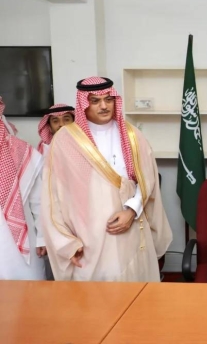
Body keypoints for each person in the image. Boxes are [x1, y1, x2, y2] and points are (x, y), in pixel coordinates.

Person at [42, 77, 172, 281]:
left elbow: (147, 180)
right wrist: (67, 244)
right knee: (98, 299)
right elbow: (54, 196)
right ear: (84, 104)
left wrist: (132, 210)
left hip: (131, 226)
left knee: (137, 288)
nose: (104, 106)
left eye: (109, 99)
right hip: (89, 235)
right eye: (95, 101)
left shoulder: (132, 134)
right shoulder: (66, 140)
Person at [0, 96, 46, 280]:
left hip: (21, 242)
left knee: (29, 298)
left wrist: (43, 237)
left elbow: (39, 201)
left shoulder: (22, 151)